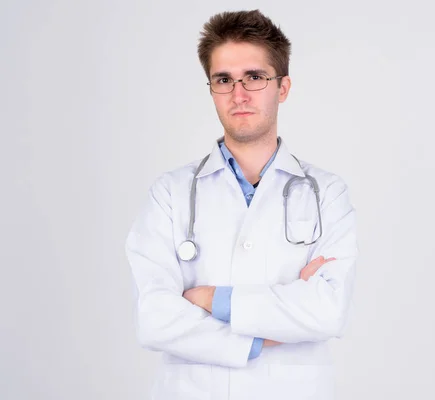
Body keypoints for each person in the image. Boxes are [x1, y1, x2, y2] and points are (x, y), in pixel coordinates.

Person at [125, 9, 358, 400]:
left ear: (282, 87)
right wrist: (261, 337)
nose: (239, 94)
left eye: (254, 77)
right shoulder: (170, 193)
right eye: (224, 79)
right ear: (211, 88)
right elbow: (154, 319)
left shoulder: (327, 193)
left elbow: (328, 310)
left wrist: (210, 299)